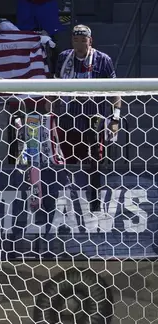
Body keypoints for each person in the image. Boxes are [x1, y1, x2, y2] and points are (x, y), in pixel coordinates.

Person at [53, 24, 121, 215]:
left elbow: (116, 90)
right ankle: (68, 204)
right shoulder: (63, 58)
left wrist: (115, 118)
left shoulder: (102, 60)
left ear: (90, 41)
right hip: (67, 119)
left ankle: (95, 204)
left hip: (93, 121)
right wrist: (51, 112)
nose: (80, 44)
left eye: (84, 40)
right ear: (72, 40)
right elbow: (53, 88)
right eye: (76, 40)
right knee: (66, 163)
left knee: (94, 162)